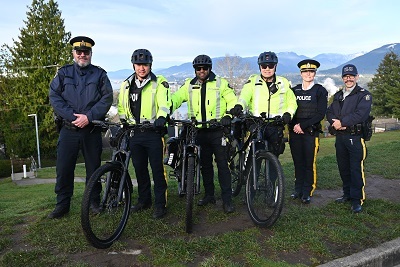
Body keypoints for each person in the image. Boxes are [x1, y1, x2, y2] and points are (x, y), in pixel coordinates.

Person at [48, 36, 113, 219]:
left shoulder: (100, 75)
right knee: (63, 168)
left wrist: (89, 117)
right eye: (79, 52)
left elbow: (106, 98)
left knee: (93, 168)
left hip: (91, 130)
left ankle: (93, 202)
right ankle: (62, 205)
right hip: (68, 129)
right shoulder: (63, 73)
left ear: (91, 54)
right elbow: (54, 96)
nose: (82, 55)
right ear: (73, 53)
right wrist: (72, 116)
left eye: (86, 52)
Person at [171, 54, 237, 213]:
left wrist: (228, 115)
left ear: (210, 68)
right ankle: (209, 195)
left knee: (222, 165)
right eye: (198, 68)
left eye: (205, 68)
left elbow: (232, 100)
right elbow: (175, 99)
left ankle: (227, 200)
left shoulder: (220, 83)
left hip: (217, 130)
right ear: (195, 70)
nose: (202, 71)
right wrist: (164, 113)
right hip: (199, 130)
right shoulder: (189, 85)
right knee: (205, 165)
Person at [118, 49, 171, 219]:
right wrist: (123, 122)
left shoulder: (159, 83)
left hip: (153, 133)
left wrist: (162, 117)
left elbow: (164, 103)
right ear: (133, 65)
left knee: (157, 170)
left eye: (145, 65)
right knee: (140, 169)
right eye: (139, 64)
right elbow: (122, 107)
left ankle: (160, 204)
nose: (142, 68)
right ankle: (144, 200)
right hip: (135, 133)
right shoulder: (126, 84)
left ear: (150, 65)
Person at [231, 51, 297, 157]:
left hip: (275, 124)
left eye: (270, 66)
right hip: (256, 123)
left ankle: (273, 173)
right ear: (260, 67)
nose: (267, 69)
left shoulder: (283, 82)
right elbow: (244, 97)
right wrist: (239, 106)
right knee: (255, 156)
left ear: (275, 66)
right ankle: (249, 171)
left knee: (274, 158)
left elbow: (292, 102)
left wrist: (288, 114)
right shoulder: (252, 81)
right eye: (264, 66)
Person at [326, 64, 372, 213]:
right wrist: (335, 123)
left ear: (357, 77)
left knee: (355, 169)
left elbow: (361, 114)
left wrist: (343, 122)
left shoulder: (363, 95)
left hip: (355, 137)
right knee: (343, 168)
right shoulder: (338, 95)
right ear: (342, 78)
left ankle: (357, 199)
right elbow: (330, 112)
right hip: (340, 137)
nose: (349, 78)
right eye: (346, 76)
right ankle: (347, 194)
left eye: (351, 76)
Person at [288, 59, 328, 204]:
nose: (308, 74)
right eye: (305, 72)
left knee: (308, 163)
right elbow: (290, 110)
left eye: (311, 71)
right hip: (295, 133)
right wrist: (294, 126)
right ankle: (297, 189)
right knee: (297, 162)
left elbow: (320, 114)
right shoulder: (294, 90)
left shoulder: (320, 90)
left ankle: (307, 191)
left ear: (315, 73)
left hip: (310, 133)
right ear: (301, 73)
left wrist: (302, 126)